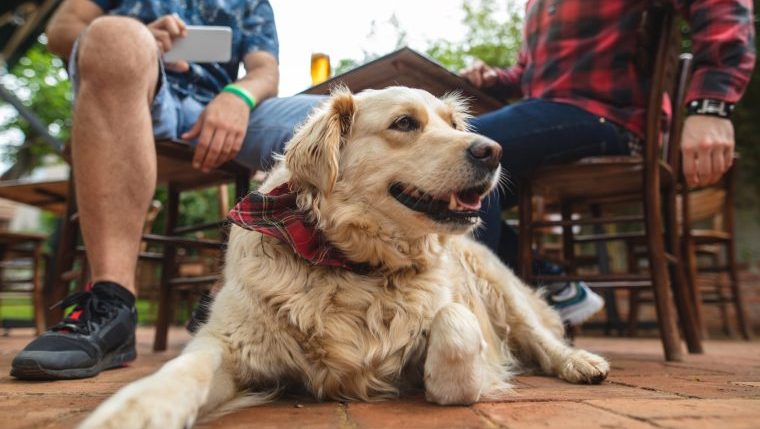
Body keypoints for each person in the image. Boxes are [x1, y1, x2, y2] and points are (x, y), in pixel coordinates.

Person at [10, 0, 324, 380]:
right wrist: (142, 39)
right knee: (115, 36)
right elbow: (61, 31)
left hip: (222, 107)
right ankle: (113, 304)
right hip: (140, 93)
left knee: (346, 119)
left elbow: (264, 71)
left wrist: (237, 97)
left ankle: (272, 303)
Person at [459, 0, 755, 325]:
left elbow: (722, 6)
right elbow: (527, 74)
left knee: (462, 146)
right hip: (550, 112)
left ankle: (469, 323)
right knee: (457, 180)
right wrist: (493, 79)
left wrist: (710, 107)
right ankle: (552, 287)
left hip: (611, 118)